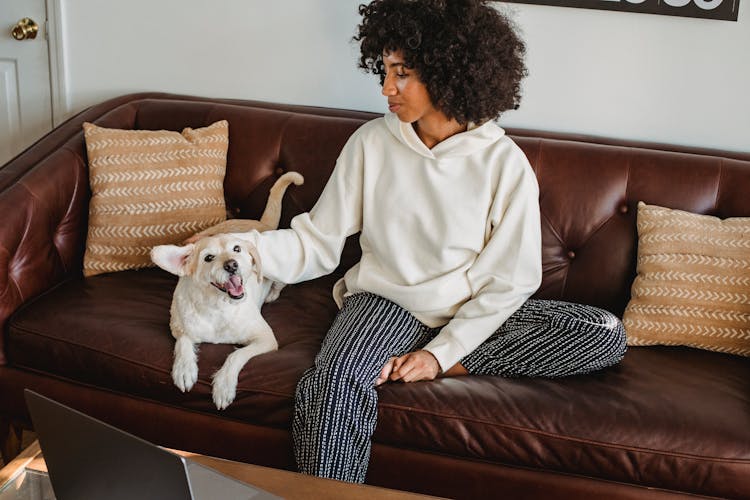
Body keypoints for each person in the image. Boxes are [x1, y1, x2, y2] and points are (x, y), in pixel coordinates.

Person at [224, 0, 626, 484]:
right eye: (384, 69)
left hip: (468, 309)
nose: (386, 88)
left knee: (604, 332)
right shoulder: (372, 142)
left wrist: (439, 355)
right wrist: (249, 252)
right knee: (332, 384)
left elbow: (510, 281)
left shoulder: (504, 164)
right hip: (384, 304)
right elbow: (318, 242)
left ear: (449, 73)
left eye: (402, 73)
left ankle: (453, 359)